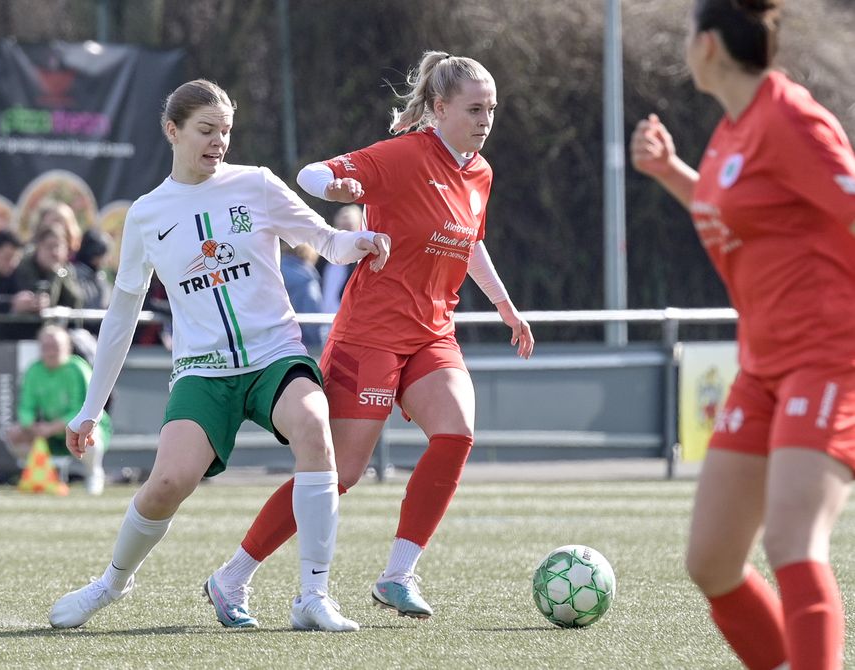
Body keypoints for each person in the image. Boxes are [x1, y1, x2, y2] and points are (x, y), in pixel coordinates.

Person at [47, 78, 390, 633]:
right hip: (203, 371)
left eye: (225, 131)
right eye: (206, 130)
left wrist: (361, 242)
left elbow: (325, 239)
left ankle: (312, 595)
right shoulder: (146, 215)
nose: (218, 142)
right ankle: (111, 583)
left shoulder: (256, 184)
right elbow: (121, 316)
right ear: (172, 130)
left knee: (313, 424)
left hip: (274, 354)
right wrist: (90, 407)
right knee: (166, 484)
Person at [206, 51, 533, 624]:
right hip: (370, 336)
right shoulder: (404, 154)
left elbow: (471, 241)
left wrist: (506, 305)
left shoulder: (480, 171)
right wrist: (340, 191)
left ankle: (397, 575)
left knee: (456, 433)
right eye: (475, 108)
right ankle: (232, 577)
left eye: (492, 109)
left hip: (433, 333)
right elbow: (312, 176)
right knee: (340, 473)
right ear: (439, 108)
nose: (486, 119)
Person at [630, 2, 855, 668]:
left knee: (792, 543)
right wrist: (672, 173)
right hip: (763, 368)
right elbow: (746, 215)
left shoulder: (791, 118)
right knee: (712, 561)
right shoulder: (734, 130)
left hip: (828, 358)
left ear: (707, 46)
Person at [6, 324, 110, 495]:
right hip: (49, 433)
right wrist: (31, 425)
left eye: (56, 347)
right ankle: (44, 474)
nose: (51, 352)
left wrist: (52, 427)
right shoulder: (34, 370)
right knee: (14, 434)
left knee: (92, 438)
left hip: (79, 426)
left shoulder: (78, 369)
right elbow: (26, 407)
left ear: (67, 347)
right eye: (46, 347)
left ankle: (93, 474)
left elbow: (82, 408)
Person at [13, 223, 83, 340]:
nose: (54, 252)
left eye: (59, 247)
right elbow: (45, 303)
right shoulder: (25, 267)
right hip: (27, 334)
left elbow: (76, 301)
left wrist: (58, 273)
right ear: (38, 247)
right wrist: (54, 275)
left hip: (61, 334)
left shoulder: (66, 270)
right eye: (49, 247)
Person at [0, 229, 47, 340]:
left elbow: (27, 291)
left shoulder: (16, 271)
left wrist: (35, 302)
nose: (13, 264)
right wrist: (11, 304)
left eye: (16, 258)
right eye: (7, 257)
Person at [319, 204, 362, 325]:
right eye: (341, 229)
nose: (345, 236)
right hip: (320, 322)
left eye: (349, 229)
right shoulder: (322, 259)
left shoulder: (363, 262)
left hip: (348, 323)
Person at [280, 241, 324, 348]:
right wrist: (319, 343)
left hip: (275, 341)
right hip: (301, 345)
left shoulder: (275, 270)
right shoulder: (307, 279)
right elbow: (312, 315)